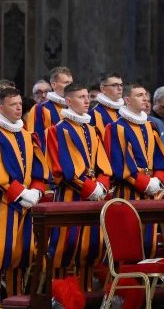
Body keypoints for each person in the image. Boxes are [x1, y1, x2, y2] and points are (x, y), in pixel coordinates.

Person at [0, 86, 48, 308]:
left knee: (21, 253)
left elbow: (39, 169)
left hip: (27, 203)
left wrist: (36, 190)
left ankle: (15, 301)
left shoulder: (27, 135)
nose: (19, 108)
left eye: (20, 104)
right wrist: (21, 193)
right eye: (13, 104)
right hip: (3, 202)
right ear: (0, 108)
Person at [46, 82, 113, 288]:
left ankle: (87, 292)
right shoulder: (57, 130)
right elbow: (62, 167)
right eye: (81, 97)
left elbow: (103, 164)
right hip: (70, 195)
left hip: (94, 195)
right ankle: (60, 294)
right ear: (68, 101)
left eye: (87, 96)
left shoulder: (92, 130)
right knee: (66, 245)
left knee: (91, 246)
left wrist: (101, 185)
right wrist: (89, 188)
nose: (87, 101)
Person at [106, 82, 164, 256]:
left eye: (145, 95)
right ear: (127, 100)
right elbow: (121, 163)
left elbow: (160, 158)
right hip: (129, 191)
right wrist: (145, 183)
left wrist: (158, 180)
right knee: (129, 240)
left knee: (150, 242)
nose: (145, 99)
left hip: (152, 190)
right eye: (139, 95)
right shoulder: (116, 128)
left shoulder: (151, 126)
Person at [25, 66, 73, 151]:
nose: (70, 86)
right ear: (54, 85)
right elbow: (37, 141)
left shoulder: (74, 108)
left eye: (71, 83)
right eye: (66, 83)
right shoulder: (40, 109)